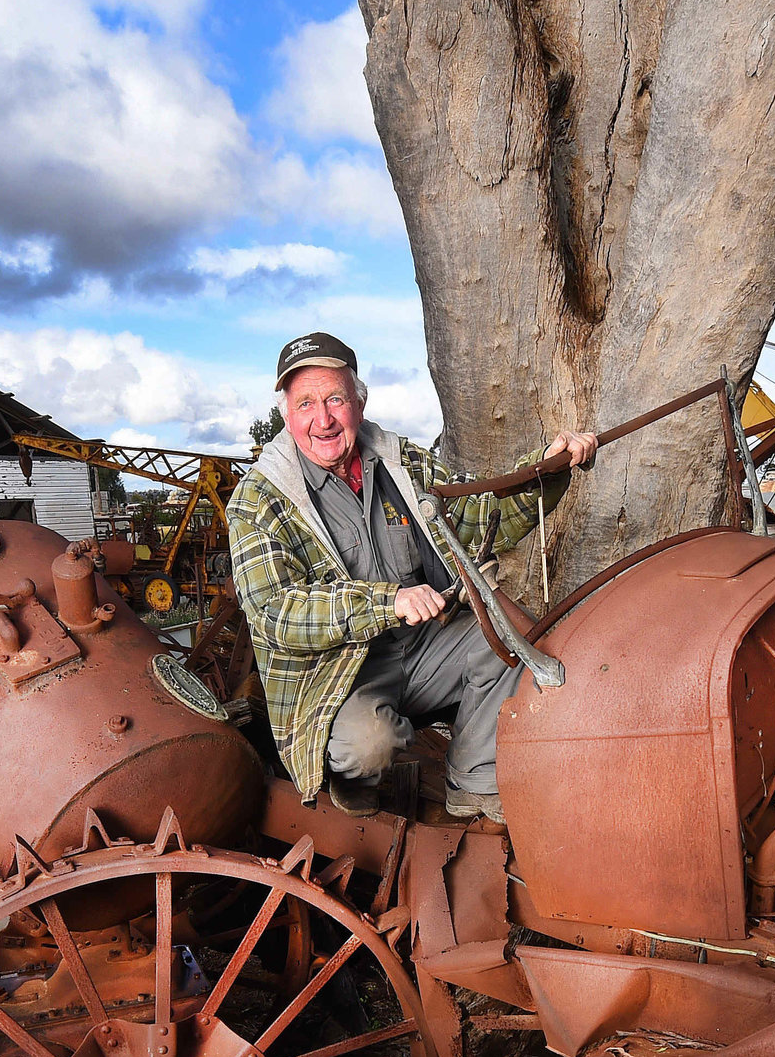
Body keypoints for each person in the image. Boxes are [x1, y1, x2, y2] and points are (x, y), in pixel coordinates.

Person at [225, 333, 596, 825]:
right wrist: (388, 602)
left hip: (423, 649)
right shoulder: (259, 498)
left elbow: (475, 517)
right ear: (287, 413)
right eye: (306, 403)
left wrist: (546, 468)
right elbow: (275, 612)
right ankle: (350, 775)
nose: (323, 418)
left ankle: (473, 781)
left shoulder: (400, 463)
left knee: (510, 638)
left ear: (359, 401)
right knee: (370, 745)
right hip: (337, 674)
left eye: (335, 398)